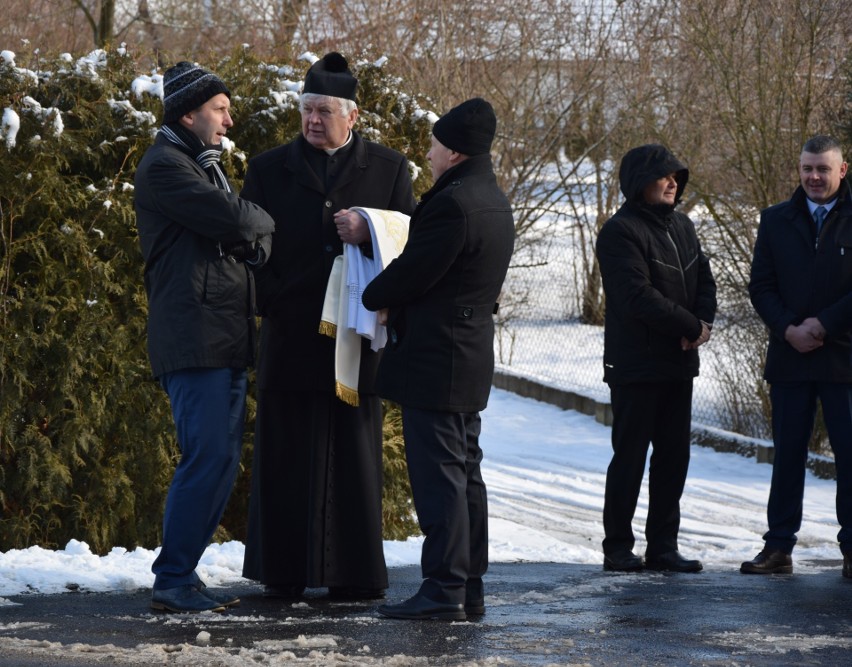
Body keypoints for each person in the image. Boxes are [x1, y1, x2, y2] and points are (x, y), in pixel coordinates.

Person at [240, 52, 417, 600]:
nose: (313, 120)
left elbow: (410, 242)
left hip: (355, 339)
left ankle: (354, 574)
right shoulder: (269, 168)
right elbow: (249, 252)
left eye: (324, 111)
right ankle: (283, 572)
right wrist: (273, 301)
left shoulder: (389, 169)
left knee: (352, 455)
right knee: (285, 452)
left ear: (353, 116)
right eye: (306, 110)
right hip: (291, 333)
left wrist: (370, 231)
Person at [362, 98, 515, 620]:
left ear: (451, 151)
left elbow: (416, 270)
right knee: (466, 469)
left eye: (432, 145)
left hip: (438, 356)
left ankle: (443, 586)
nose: (427, 154)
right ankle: (468, 583)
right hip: (467, 353)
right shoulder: (493, 198)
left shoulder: (454, 203)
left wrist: (374, 294)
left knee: (441, 476)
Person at [134, 62, 274, 612]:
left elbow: (249, 240)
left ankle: (182, 573)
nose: (229, 121)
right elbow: (240, 223)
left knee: (218, 459)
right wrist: (256, 222)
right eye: (220, 109)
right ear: (187, 113)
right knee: (207, 455)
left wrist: (250, 228)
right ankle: (171, 578)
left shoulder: (202, 165)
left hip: (222, 334)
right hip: (194, 338)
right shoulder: (167, 167)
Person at [595, 144, 717, 574]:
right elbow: (636, 297)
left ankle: (663, 546)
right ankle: (617, 547)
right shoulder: (619, 232)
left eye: (676, 177)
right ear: (638, 183)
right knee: (629, 456)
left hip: (678, 362)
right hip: (636, 365)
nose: (672, 183)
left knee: (673, 456)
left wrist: (701, 324)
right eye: (663, 176)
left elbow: (705, 280)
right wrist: (689, 326)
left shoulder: (684, 226)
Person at [743, 135, 852, 577]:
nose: (813, 177)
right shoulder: (775, 220)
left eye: (822, 169)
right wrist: (789, 328)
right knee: (787, 455)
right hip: (790, 356)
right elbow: (761, 286)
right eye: (807, 168)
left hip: (844, 359)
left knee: (850, 456)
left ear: (842, 170)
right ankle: (778, 547)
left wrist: (823, 324)